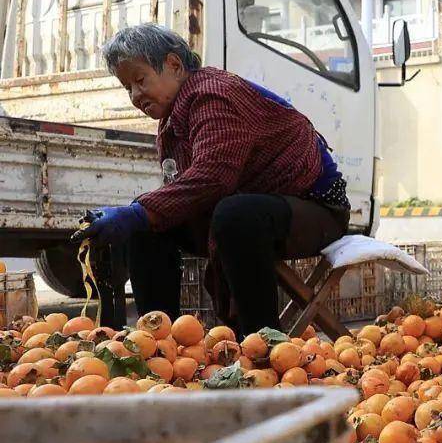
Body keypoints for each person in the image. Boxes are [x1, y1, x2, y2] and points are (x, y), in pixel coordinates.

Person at [76, 24, 350, 334]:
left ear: (175, 66)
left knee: (233, 215)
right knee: (147, 225)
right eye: (128, 88)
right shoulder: (173, 118)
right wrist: (140, 215)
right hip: (260, 209)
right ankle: (158, 342)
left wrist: (139, 210)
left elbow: (214, 176)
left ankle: (261, 346)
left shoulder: (213, 95)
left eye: (140, 80)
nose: (136, 95)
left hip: (317, 208)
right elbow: (180, 194)